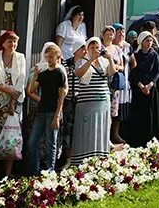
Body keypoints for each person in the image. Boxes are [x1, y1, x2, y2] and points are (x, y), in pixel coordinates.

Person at [0, 31, 26, 179]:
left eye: (15, 42)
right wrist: (5, 88)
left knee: (11, 137)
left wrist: (12, 103)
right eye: (10, 41)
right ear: (3, 43)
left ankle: (7, 174)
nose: (13, 44)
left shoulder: (20, 58)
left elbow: (21, 80)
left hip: (13, 103)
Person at [70, 37, 115, 165]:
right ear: (87, 49)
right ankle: (82, 159)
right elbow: (78, 74)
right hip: (86, 102)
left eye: (97, 47)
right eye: (92, 47)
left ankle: (100, 157)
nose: (95, 50)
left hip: (102, 100)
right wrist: (91, 60)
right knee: (86, 129)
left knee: (101, 128)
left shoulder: (103, 61)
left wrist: (110, 58)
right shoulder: (81, 61)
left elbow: (111, 72)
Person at [26, 43, 67, 174]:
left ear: (57, 57)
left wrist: (57, 116)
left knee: (51, 143)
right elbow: (31, 90)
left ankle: (50, 170)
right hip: (41, 111)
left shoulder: (60, 73)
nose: (49, 59)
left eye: (51, 57)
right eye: (47, 57)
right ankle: (34, 170)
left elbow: (61, 97)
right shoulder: (43, 74)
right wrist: (35, 76)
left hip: (53, 111)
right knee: (32, 142)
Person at [128, 32, 159, 143]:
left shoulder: (154, 54)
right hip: (139, 89)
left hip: (151, 88)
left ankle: (151, 138)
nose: (149, 43)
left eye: (151, 41)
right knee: (139, 114)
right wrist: (141, 85)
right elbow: (133, 72)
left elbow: (157, 71)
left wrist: (150, 84)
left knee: (151, 114)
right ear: (141, 42)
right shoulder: (136, 55)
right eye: (147, 41)